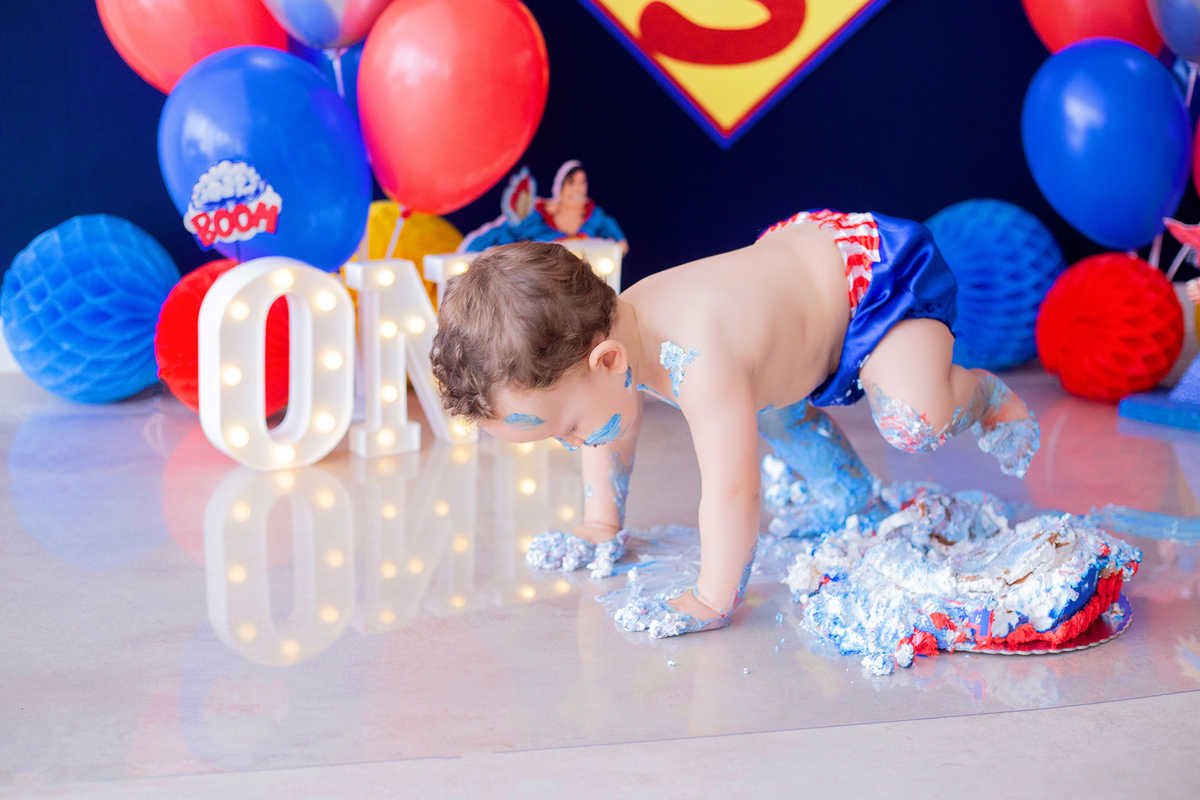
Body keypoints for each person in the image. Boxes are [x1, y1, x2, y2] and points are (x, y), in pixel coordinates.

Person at [430, 210, 1040, 639]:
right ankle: (852, 497)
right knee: (773, 410)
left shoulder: (697, 355)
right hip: (790, 296)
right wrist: (601, 523)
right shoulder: (612, 341)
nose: (572, 443)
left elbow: (733, 489)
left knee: (914, 421)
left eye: (562, 429)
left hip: (869, 279)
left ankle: (979, 394)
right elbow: (606, 424)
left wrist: (712, 596)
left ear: (608, 360)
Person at [516, 160, 628, 254]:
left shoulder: (595, 216)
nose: (578, 189)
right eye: (572, 183)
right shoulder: (538, 219)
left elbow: (622, 246)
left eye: (582, 183)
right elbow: (511, 244)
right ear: (559, 188)